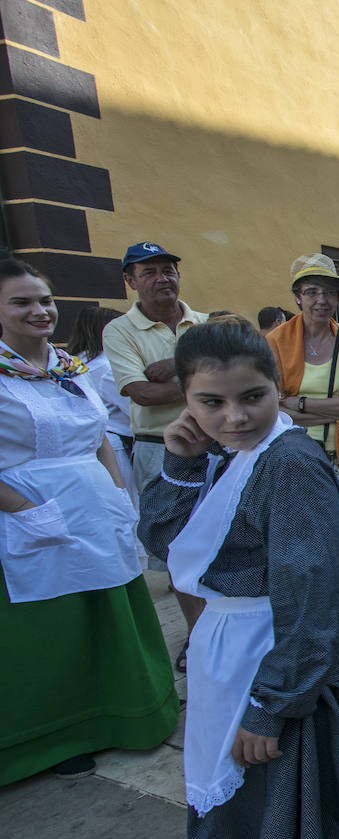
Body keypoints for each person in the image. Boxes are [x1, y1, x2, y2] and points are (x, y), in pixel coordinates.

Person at [139, 317, 339, 839]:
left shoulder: (287, 462)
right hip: (233, 651)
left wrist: (272, 705)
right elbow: (170, 545)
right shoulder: (224, 453)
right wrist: (183, 464)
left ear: (277, 387)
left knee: (292, 817)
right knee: (278, 813)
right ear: (186, 402)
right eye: (211, 402)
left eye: (252, 397)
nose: (234, 417)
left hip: (278, 655)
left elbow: (312, 591)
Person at [0, 258, 177, 785]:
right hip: (27, 511)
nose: (40, 311)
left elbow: (97, 433)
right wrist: (28, 515)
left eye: (45, 300)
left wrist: (118, 495)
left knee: (109, 610)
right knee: (52, 626)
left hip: (94, 505)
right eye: (22, 302)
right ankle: (54, 735)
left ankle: (127, 713)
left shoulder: (67, 367)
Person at [103, 240, 208, 672]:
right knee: (178, 548)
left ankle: (227, 631)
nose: (162, 278)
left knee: (227, 542)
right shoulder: (119, 331)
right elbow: (142, 394)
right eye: (149, 272)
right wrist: (200, 374)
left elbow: (239, 372)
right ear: (130, 281)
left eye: (168, 269)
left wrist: (175, 368)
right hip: (157, 447)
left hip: (215, 443)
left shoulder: (203, 321)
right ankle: (197, 638)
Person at [266, 254, 339, 612]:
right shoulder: (277, 342)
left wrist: (299, 404)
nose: (321, 300)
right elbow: (271, 406)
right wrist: (332, 402)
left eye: (329, 292)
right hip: (296, 459)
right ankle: (309, 616)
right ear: (298, 296)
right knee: (303, 542)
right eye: (312, 292)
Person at [68, 305, 140, 521]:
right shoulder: (107, 367)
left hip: (97, 445)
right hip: (116, 448)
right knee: (129, 508)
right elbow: (135, 410)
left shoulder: (77, 363)